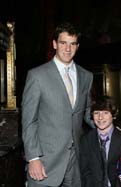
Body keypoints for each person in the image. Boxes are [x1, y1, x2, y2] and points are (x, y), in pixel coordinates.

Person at [21, 22, 95, 187]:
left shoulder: (87, 76)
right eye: (63, 43)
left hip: (76, 163)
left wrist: (109, 127)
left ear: (77, 46)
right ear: (55, 44)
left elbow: (88, 112)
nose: (68, 49)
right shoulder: (37, 76)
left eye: (72, 44)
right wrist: (33, 158)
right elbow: (28, 121)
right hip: (45, 163)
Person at [79, 95, 121, 187]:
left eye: (105, 113)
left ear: (113, 115)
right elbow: (84, 172)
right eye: (96, 113)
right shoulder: (86, 139)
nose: (100, 117)